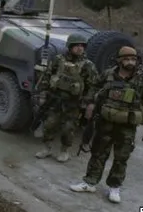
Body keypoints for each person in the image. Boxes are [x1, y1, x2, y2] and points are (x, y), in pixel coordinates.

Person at [69, 46, 143, 203]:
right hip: (105, 123)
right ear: (119, 61)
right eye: (126, 59)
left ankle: (114, 187)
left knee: (121, 158)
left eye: (133, 59)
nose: (130, 62)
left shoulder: (142, 81)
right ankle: (90, 182)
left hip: (127, 127)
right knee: (98, 153)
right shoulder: (108, 74)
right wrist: (90, 104)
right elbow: (94, 87)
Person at [34, 33, 98, 162]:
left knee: (68, 128)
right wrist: (42, 93)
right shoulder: (58, 59)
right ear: (70, 46)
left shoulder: (88, 65)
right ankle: (47, 148)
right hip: (55, 99)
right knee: (49, 124)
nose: (80, 48)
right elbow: (47, 75)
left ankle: (64, 151)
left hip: (73, 103)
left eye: (82, 46)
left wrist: (87, 102)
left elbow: (93, 85)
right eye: (77, 45)